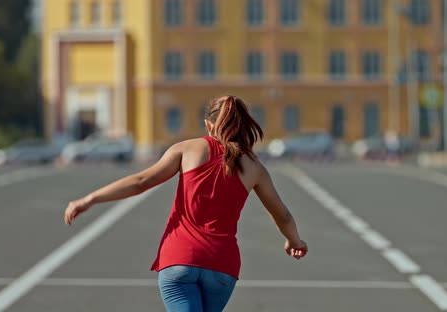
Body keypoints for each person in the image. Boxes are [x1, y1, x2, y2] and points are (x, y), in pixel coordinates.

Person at [63, 95, 308, 312]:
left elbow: (140, 182)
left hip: (180, 259)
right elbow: (283, 215)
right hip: (222, 266)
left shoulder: (187, 149)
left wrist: (90, 199)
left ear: (209, 125)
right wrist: (294, 241)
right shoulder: (254, 167)